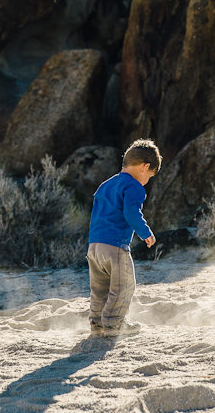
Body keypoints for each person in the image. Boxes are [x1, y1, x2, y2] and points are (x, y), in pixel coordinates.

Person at [87, 138, 161, 337]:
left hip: (94, 246)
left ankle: (97, 323)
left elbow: (96, 214)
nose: (147, 181)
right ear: (145, 167)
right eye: (150, 176)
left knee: (99, 288)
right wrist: (146, 233)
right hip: (115, 247)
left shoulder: (105, 185)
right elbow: (131, 213)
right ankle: (113, 324)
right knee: (124, 286)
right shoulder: (134, 186)